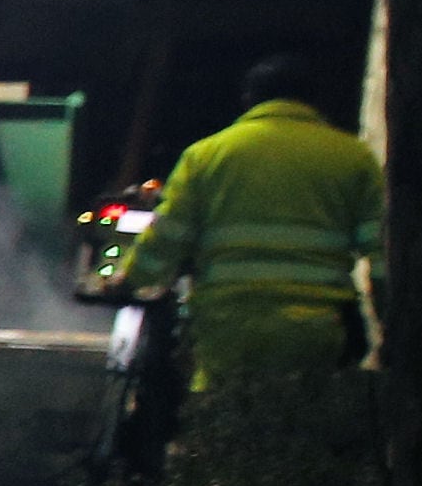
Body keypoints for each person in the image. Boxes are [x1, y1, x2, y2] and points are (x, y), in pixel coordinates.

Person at [119, 51, 383, 390]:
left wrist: (131, 277)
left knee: (222, 421)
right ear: (314, 101)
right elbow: (380, 253)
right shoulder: (354, 157)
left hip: (228, 329)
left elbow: (167, 237)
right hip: (318, 333)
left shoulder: (206, 155)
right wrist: (389, 319)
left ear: (248, 101)